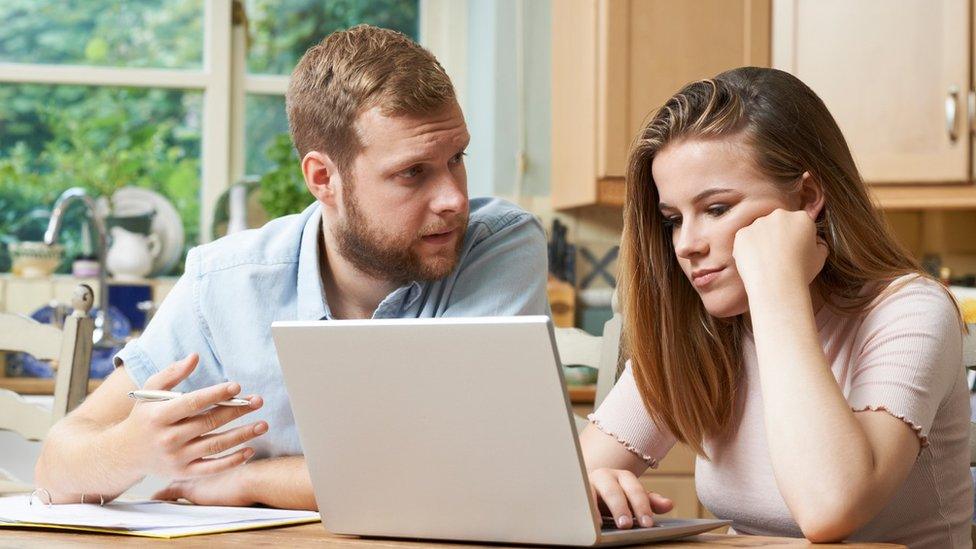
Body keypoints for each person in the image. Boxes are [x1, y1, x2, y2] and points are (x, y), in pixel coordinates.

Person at [35, 25, 548, 510]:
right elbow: (57, 466)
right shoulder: (226, 281)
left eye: (456, 157)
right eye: (413, 173)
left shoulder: (498, 244)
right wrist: (130, 450)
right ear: (324, 177)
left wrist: (248, 480)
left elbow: (464, 471)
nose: (455, 199)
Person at [580, 67, 972, 548]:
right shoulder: (704, 327)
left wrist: (778, 290)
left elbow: (830, 508)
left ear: (806, 197)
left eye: (718, 209)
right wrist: (592, 485)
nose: (686, 245)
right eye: (673, 220)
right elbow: (566, 481)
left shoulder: (910, 311)